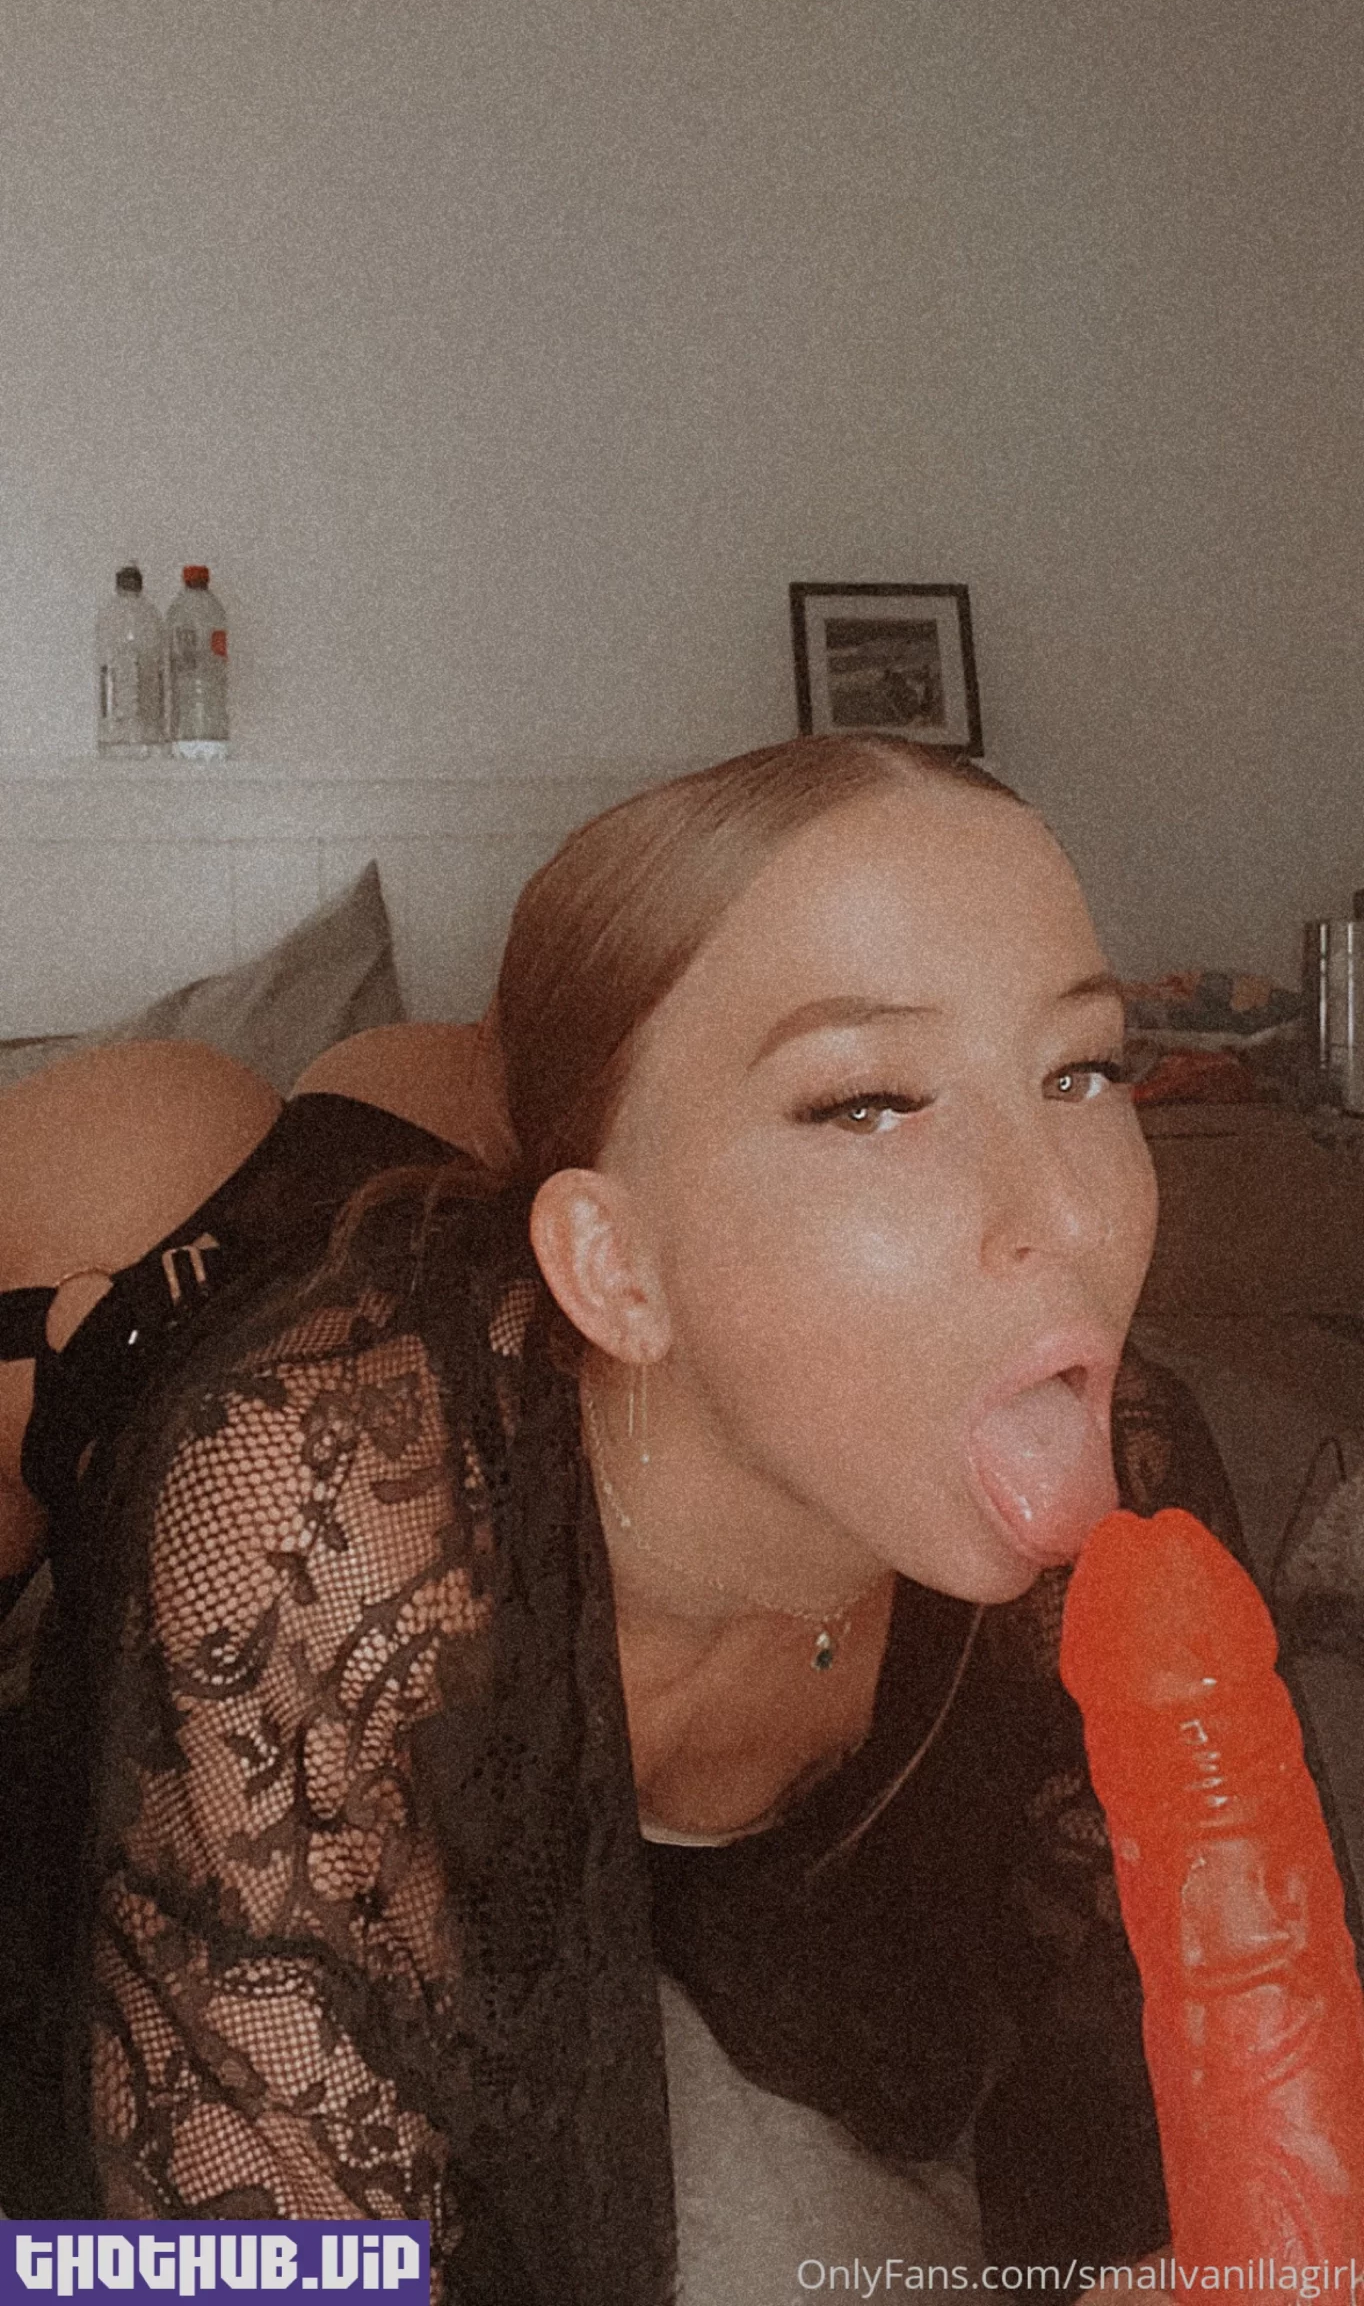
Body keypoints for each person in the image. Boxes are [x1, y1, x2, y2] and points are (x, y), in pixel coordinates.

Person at [0, 736, 1259, 2301]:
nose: (1066, 1212)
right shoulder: (309, 1514)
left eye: (1080, 1070)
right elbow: (265, 2266)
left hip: (558, 1210)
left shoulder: (1124, 1461)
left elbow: (1187, 2115)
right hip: (166, 1247)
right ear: (613, 1267)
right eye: (868, 1100)